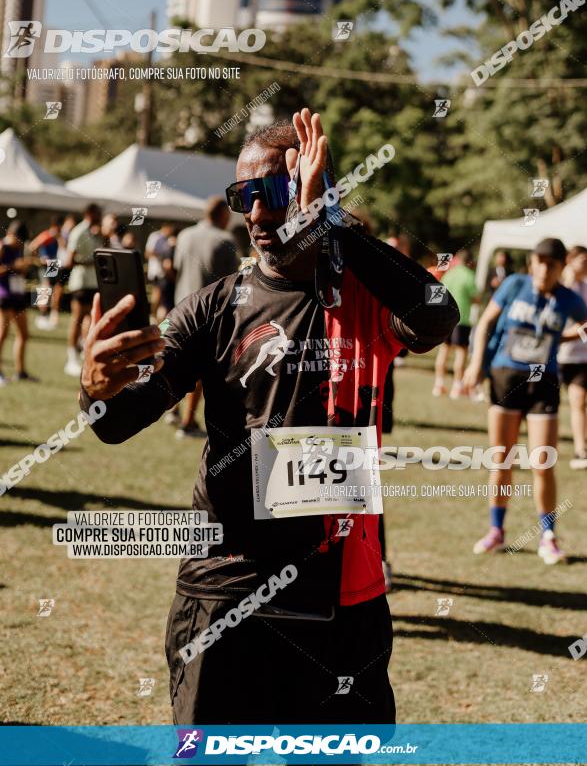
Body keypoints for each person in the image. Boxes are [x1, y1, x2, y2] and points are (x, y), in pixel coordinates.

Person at [80, 108, 458, 725]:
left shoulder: (365, 298)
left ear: (316, 190)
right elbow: (117, 422)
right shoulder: (216, 308)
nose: (254, 213)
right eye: (241, 196)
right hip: (227, 589)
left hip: (341, 600)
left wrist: (329, 222)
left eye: (272, 193)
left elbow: (438, 315)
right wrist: (95, 388)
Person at [463, 238, 587, 564]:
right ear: (532, 262)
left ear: (561, 268)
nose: (544, 268)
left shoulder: (569, 299)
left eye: (552, 264)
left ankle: (547, 536)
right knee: (501, 460)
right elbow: (486, 322)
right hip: (506, 377)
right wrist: (476, 364)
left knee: (542, 463)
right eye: (540, 261)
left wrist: (569, 335)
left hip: (543, 384)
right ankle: (496, 531)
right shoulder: (514, 284)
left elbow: (578, 325)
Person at [172, 196, 239, 439]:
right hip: (209, 314)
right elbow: (233, 283)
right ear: (222, 214)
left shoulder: (184, 236)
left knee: (173, 361)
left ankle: (173, 411)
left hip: (180, 308)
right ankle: (188, 422)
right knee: (201, 372)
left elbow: (175, 269)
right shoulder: (226, 240)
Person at [432, 248, 480, 399]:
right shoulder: (469, 275)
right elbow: (476, 298)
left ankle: (438, 385)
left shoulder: (449, 274)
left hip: (446, 319)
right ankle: (457, 387)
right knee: (461, 353)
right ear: (470, 261)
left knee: (444, 351)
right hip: (462, 320)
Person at [64, 203, 102, 377]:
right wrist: (90, 262)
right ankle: (70, 358)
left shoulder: (96, 232)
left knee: (90, 319)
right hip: (80, 282)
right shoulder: (79, 232)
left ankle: (84, 353)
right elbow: (68, 261)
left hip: (93, 283)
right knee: (77, 319)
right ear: (89, 213)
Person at [558, 245, 587, 468]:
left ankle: (580, 450)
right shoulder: (560, 288)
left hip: (581, 358)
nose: (585, 265)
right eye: (582, 261)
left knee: (578, 400)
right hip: (557, 356)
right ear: (570, 260)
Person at [0, 221, 36, 384]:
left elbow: (20, 272)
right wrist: (12, 266)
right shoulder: (2, 247)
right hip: (3, 294)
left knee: (24, 334)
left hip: (17, 294)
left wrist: (24, 267)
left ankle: (20, 371)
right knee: (3, 333)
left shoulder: (20, 248)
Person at [30, 215, 64, 330]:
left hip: (53, 264)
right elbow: (33, 246)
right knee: (45, 289)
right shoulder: (46, 235)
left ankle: (51, 316)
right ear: (54, 226)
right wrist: (39, 258)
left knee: (55, 290)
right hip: (46, 265)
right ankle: (42, 316)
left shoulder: (58, 237)